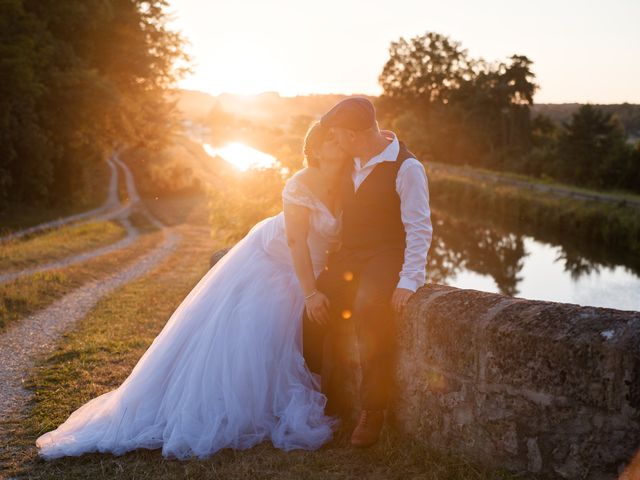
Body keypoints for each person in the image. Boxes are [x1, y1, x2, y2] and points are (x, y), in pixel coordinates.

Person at [35, 123, 349, 460]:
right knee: (257, 330)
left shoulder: (351, 177)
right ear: (313, 150)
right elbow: (295, 242)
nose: (338, 139)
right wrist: (311, 293)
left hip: (306, 264)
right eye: (329, 137)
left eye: (340, 135)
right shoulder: (300, 184)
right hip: (273, 259)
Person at [302, 96, 433, 448]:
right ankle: (315, 397)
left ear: (354, 134)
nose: (336, 143)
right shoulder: (349, 160)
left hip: (386, 255)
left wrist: (409, 280)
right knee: (313, 307)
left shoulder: (407, 168)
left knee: (370, 310)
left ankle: (373, 409)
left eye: (339, 136)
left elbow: (419, 228)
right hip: (348, 256)